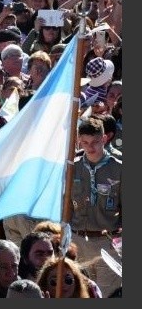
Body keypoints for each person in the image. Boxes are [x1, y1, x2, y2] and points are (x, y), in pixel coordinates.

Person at [69, 116, 122, 297]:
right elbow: (66, 204)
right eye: (85, 142)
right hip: (78, 241)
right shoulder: (72, 168)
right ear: (78, 141)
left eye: (95, 142)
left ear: (105, 139)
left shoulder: (119, 169)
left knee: (106, 293)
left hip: (106, 241)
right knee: (81, 292)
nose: (90, 147)